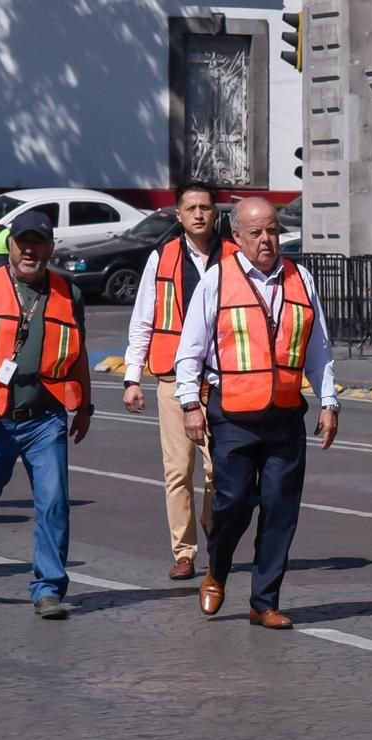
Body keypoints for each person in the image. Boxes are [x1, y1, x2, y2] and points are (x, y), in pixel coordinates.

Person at [173, 197, 339, 629]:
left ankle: (264, 601)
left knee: (281, 509)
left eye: (272, 231)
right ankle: (217, 569)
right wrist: (191, 404)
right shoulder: (217, 281)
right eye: (256, 233)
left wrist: (329, 400)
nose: (266, 240)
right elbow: (189, 352)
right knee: (233, 504)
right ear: (236, 237)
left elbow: (317, 346)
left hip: (284, 414)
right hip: (232, 414)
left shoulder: (299, 278)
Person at [0, 210, 94, 619]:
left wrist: (85, 404)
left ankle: (48, 588)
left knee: (53, 502)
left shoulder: (69, 293)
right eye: (22, 241)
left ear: (50, 247)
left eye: (38, 242)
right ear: (9, 245)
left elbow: (77, 354)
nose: (30, 250)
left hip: (45, 416)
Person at [123, 181, 234, 581]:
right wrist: (132, 377)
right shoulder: (162, 257)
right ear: (179, 214)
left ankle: (210, 523)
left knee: (219, 471)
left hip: (221, 380)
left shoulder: (235, 258)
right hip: (172, 378)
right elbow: (143, 318)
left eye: (206, 207)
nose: (199, 214)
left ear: (216, 213)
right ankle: (184, 551)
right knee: (177, 471)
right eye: (191, 208)